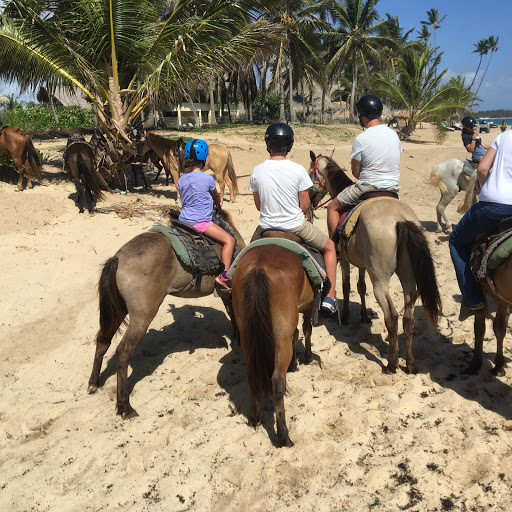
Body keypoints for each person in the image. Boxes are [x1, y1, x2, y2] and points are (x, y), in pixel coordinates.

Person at [249, 122, 339, 314]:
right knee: (330, 247)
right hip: (295, 226)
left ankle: (231, 281)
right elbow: (305, 205)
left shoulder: (257, 170)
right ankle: (330, 296)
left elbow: (258, 206)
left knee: (245, 257)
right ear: (289, 146)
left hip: (265, 227)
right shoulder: (298, 170)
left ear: (268, 145)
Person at [449, 128, 512, 320]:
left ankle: (474, 300)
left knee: (456, 242)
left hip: (495, 205)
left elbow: (483, 169)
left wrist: (488, 189)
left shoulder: (504, 136)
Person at [327, 94, 402, 238]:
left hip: (367, 188)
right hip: (393, 188)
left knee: (332, 207)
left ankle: (335, 247)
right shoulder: (394, 135)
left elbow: (356, 173)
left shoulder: (361, 139)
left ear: (362, 115)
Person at [178, 138, 235, 289]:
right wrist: (218, 204)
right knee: (230, 240)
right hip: (200, 222)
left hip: (183, 220)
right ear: (203, 158)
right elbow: (215, 197)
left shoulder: (181, 179)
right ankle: (224, 276)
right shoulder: (207, 178)